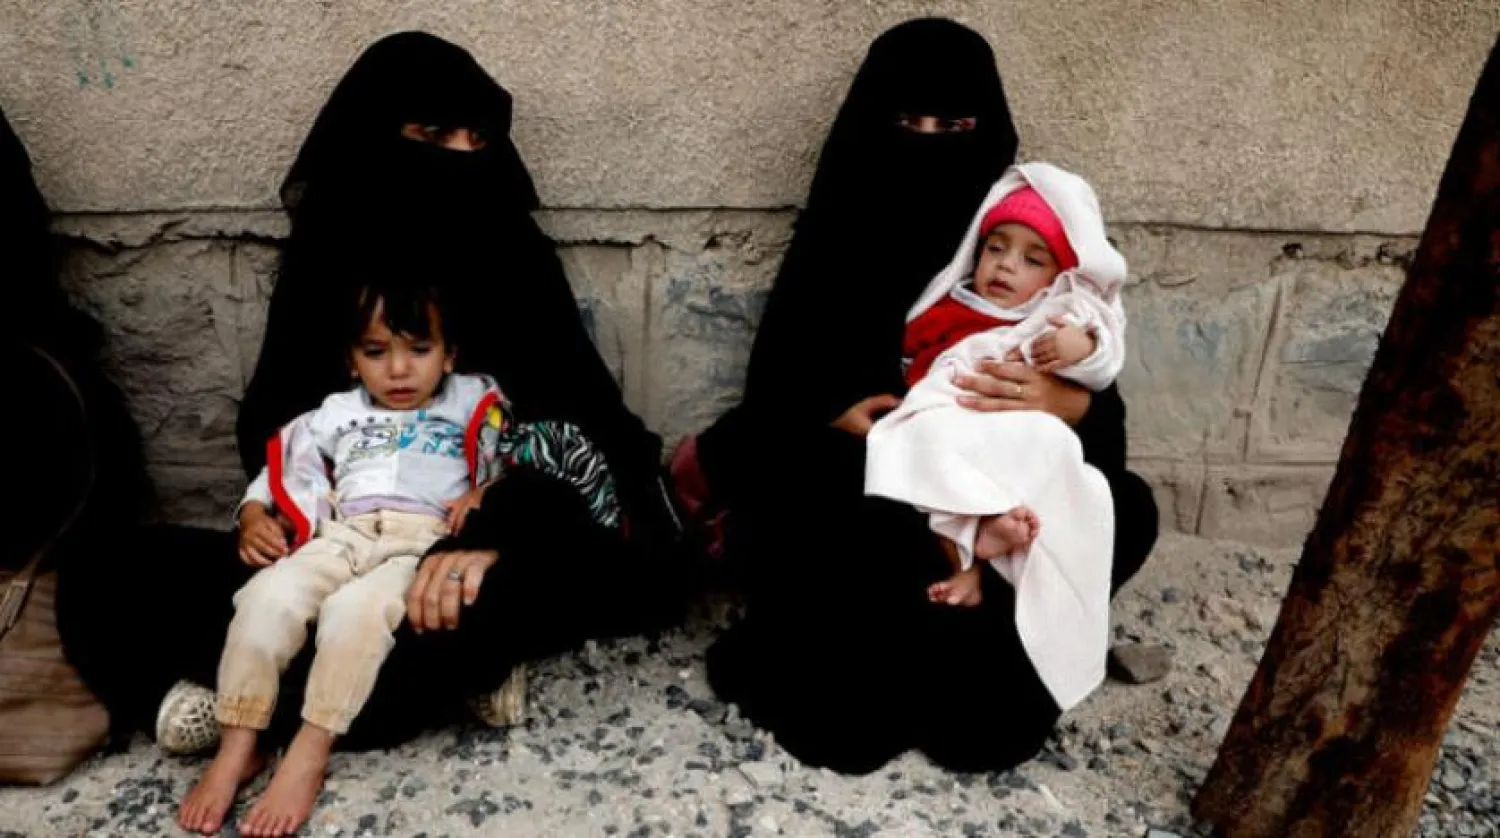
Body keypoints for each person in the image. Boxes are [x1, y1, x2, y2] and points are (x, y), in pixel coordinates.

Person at [59, 32, 689, 791]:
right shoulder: (328, 255)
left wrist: (489, 537)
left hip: (454, 548)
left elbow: (578, 429)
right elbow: (281, 425)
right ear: (374, 140)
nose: (460, 158)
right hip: (333, 537)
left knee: (509, 596)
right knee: (103, 570)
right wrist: (273, 517)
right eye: (431, 136)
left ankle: (251, 695)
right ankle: (358, 689)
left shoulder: (509, 253)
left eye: (477, 138)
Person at [680, 19, 1161, 775]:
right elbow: (772, 403)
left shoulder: (1017, 250)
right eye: (908, 124)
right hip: (871, 518)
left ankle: (977, 651)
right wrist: (836, 415)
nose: (930, 144)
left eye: (956, 126)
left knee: (1124, 504)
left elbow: (1101, 437)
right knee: (828, 483)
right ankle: (905, 664)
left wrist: (1070, 405)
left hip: (995, 513)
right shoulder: (840, 234)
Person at [179, 278, 502, 835]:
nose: (398, 371)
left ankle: (312, 744)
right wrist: (254, 514)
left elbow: (514, 460)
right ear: (352, 361)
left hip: (416, 541)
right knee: (264, 600)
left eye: (418, 350)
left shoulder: (473, 401)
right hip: (341, 533)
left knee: (355, 614)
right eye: (376, 353)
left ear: (450, 355)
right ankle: (239, 742)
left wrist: (485, 495)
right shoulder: (335, 413)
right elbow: (280, 471)